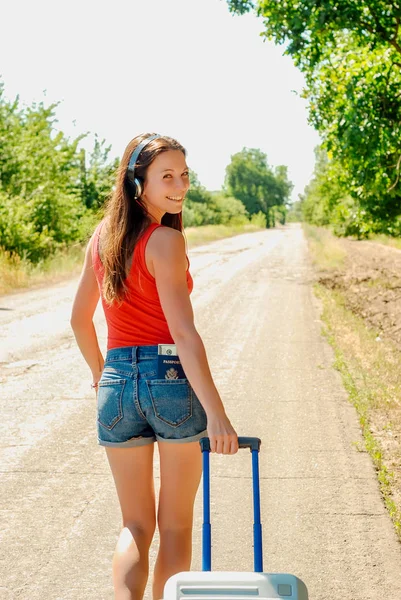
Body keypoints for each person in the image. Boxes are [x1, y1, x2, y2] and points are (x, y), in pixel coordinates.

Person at [70, 132, 239, 600]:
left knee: (135, 525)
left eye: (184, 174)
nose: (179, 184)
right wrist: (218, 415)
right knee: (176, 525)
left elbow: (79, 321)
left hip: (117, 385)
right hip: (168, 382)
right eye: (166, 175)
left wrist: (102, 375)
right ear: (136, 181)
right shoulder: (164, 240)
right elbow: (184, 334)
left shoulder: (100, 240)